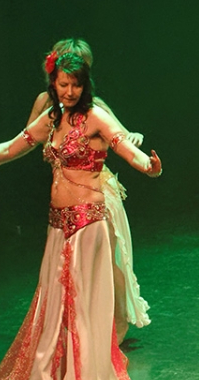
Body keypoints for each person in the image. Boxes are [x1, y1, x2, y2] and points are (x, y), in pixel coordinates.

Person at [0, 51, 161, 380]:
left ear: (85, 86)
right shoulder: (52, 119)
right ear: (53, 85)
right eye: (63, 85)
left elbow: (126, 149)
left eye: (75, 85)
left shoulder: (96, 117)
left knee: (82, 307)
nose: (69, 91)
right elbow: (11, 148)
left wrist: (149, 168)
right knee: (54, 305)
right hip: (57, 225)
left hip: (88, 225)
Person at [26, 39, 151, 341]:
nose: (71, 86)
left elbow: (124, 136)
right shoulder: (45, 104)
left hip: (97, 190)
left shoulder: (95, 107)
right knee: (66, 265)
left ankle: (115, 327)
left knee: (107, 258)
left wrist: (132, 139)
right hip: (66, 190)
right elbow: (27, 138)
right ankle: (75, 330)